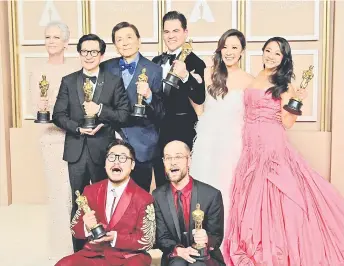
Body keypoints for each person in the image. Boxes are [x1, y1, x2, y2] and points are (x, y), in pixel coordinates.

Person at [225, 37, 344, 265]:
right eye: (268, 50)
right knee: (250, 196)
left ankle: (274, 245)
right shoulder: (257, 76)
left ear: (283, 59)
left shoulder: (284, 83)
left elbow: (287, 122)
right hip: (250, 143)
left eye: (277, 53)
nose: (270, 56)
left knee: (273, 194)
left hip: (271, 143)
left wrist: (297, 100)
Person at [52, 33, 130, 252]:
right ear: (79, 53)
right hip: (76, 150)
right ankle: (79, 252)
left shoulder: (114, 82)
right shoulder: (68, 81)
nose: (89, 56)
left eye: (94, 52)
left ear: (101, 54)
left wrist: (102, 116)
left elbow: (124, 114)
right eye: (85, 51)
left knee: (103, 203)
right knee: (79, 203)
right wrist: (78, 127)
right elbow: (58, 115)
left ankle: (103, 252)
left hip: (102, 151)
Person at [189, 29, 253, 243]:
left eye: (234, 47)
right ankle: (201, 243)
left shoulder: (250, 81)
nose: (229, 51)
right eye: (225, 46)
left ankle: (226, 243)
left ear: (242, 51)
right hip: (207, 143)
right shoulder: (210, 73)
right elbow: (200, 108)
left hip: (233, 146)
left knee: (228, 191)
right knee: (203, 191)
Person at [55, 139, 156, 266]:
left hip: (128, 257)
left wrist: (116, 238)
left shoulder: (144, 198)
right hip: (95, 255)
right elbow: (75, 229)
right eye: (111, 157)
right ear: (105, 164)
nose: (116, 162)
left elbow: (147, 240)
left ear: (133, 165)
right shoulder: (90, 191)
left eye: (123, 158)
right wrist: (86, 227)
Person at [33, 21, 79, 262]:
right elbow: (37, 109)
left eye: (56, 37)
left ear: (66, 42)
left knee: (74, 194)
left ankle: (77, 246)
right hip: (51, 140)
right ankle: (59, 250)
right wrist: (42, 109)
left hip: (74, 138)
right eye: (48, 36)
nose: (51, 41)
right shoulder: (37, 70)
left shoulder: (75, 69)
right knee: (57, 196)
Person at [101, 22, 164, 192]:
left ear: (139, 41)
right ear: (115, 45)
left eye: (129, 37)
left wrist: (149, 95)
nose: (125, 42)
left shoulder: (154, 70)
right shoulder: (106, 68)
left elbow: (161, 112)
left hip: (142, 144)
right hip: (110, 141)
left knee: (139, 197)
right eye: (119, 39)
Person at [152, 11, 206, 188]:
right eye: (167, 32)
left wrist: (185, 76)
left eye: (175, 31)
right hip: (157, 133)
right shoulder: (155, 61)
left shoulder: (196, 63)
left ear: (185, 32)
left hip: (182, 132)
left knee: (182, 184)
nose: (171, 36)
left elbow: (199, 97)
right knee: (161, 183)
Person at [153, 140, 225, 266]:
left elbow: (216, 236)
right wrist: (178, 250)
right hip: (175, 257)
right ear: (164, 162)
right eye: (168, 158)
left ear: (189, 160)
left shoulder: (211, 195)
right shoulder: (157, 196)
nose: (172, 162)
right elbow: (161, 237)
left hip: (205, 257)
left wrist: (207, 239)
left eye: (178, 157)